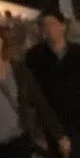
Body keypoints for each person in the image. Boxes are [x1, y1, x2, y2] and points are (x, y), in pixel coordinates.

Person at [0, 21, 69, 157]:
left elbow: (39, 102)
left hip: (18, 140)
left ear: (3, 40)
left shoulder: (18, 70)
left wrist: (59, 136)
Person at [26, 9, 80, 150]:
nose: (49, 29)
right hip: (52, 124)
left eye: (53, 23)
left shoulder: (77, 53)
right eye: (45, 25)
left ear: (63, 26)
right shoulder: (34, 57)